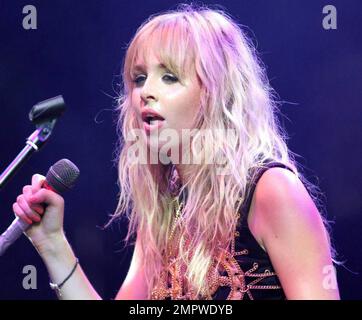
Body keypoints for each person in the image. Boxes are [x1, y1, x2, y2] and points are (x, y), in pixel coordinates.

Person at [12, 4, 340, 300]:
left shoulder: (272, 192)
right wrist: (52, 243)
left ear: (215, 93)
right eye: (139, 78)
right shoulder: (164, 213)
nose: (145, 92)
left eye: (169, 77)